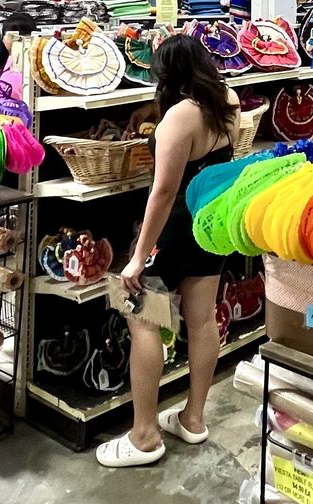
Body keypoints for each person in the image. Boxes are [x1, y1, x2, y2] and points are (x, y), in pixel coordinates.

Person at [97, 33, 238, 469]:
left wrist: (137, 258)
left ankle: (143, 436)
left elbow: (162, 194)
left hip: (174, 226)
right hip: (210, 221)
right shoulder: (226, 102)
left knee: (140, 315)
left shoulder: (180, 115)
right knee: (200, 320)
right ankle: (194, 419)